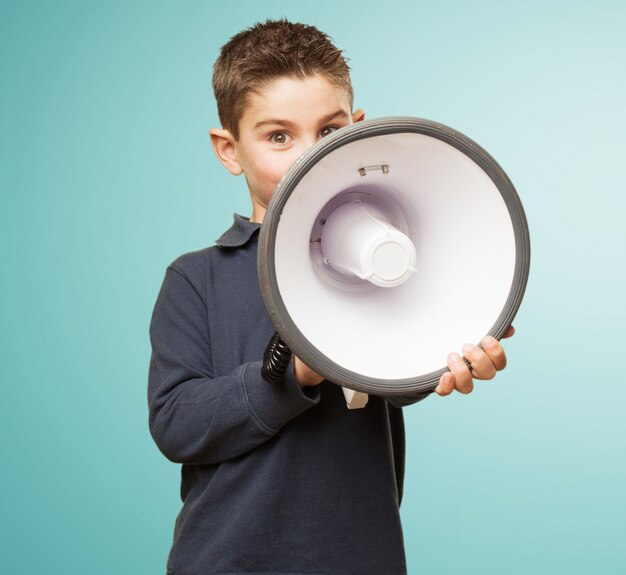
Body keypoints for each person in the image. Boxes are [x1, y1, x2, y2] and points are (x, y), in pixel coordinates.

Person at [148, 19, 514, 575]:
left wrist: (450, 344)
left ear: (357, 131)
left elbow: (393, 376)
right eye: (278, 136)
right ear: (229, 149)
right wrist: (292, 371)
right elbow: (176, 423)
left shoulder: (397, 257)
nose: (309, 155)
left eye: (329, 130)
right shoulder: (198, 278)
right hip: (228, 560)